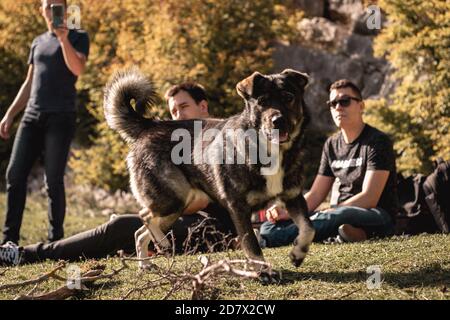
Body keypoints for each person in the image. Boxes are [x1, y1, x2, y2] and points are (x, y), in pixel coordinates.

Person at [0, 82, 236, 266]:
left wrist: (155, 212)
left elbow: (200, 200)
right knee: (121, 228)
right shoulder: (185, 144)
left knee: (122, 227)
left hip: (213, 230)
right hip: (187, 224)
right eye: (173, 111)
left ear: (203, 106)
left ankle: (24, 255)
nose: (178, 116)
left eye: (184, 107)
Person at [259, 79, 398, 247]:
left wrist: (329, 212)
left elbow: (370, 198)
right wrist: (289, 211)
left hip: (376, 215)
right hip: (336, 214)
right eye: (333, 103)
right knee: (269, 225)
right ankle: (350, 233)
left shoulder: (378, 141)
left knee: (338, 215)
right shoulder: (332, 144)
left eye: (345, 101)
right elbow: (317, 194)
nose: (338, 107)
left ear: (361, 106)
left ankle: (268, 241)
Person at [0, 0, 90, 244]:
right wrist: (11, 113)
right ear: (41, 10)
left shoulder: (78, 36)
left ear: (66, 9)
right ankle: (9, 241)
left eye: (57, 6)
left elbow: (77, 69)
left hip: (61, 117)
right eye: (48, 6)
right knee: (15, 175)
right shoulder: (37, 42)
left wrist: (63, 39)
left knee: (53, 180)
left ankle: (55, 240)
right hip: (32, 116)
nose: (52, 11)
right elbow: (29, 83)